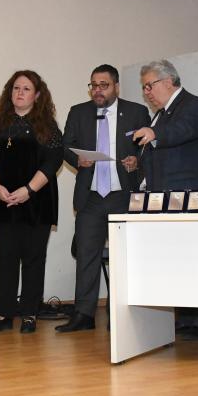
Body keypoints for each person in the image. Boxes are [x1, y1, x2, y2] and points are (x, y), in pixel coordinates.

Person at [58, 65, 150, 333]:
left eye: (104, 85)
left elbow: (148, 150)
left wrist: (137, 162)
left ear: (116, 87)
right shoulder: (78, 112)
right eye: (93, 85)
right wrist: (78, 159)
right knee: (86, 255)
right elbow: (65, 146)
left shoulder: (136, 112)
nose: (98, 90)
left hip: (123, 195)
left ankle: (119, 314)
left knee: (124, 258)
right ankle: (83, 315)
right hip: (91, 196)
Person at [132, 59, 198, 340]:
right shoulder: (160, 115)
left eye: (149, 85)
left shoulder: (193, 105)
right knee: (179, 261)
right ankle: (185, 317)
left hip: (192, 197)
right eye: (144, 87)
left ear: (168, 81)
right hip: (167, 200)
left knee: (197, 259)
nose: (146, 92)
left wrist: (154, 133)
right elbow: (156, 152)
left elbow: (182, 131)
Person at [0, 70, 64, 334]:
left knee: (33, 259)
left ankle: (29, 314)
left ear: (37, 95)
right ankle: (3, 314)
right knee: (5, 259)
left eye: (26, 89)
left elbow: (53, 162)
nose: (20, 92)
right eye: (16, 88)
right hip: (4, 200)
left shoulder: (48, 127)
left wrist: (28, 190)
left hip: (37, 200)